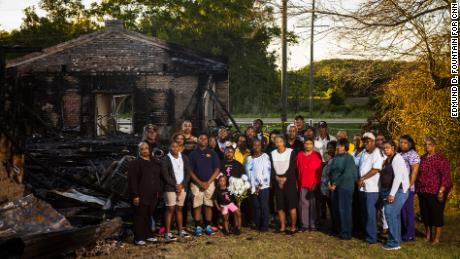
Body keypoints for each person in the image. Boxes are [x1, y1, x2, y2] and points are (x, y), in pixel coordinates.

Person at [416, 137, 452, 244]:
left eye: (429, 144)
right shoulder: (422, 158)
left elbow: (446, 175)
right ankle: (428, 235)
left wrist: (442, 190)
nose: (427, 147)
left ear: (434, 145)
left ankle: (436, 238)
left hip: (435, 191)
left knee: (436, 215)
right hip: (423, 190)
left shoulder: (440, 158)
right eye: (425, 145)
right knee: (425, 215)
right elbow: (419, 174)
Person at [128, 142, 163, 246]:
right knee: (140, 216)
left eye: (146, 148)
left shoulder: (154, 161)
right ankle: (138, 237)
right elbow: (132, 180)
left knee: (149, 215)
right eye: (142, 149)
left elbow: (159, 177)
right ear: (139, 151)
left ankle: (149, 235)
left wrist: (159, 191)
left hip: (153, 194)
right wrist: (135, 195)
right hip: (140, 194)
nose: (145, 151)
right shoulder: (135, 163)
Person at [379, 140, 410, 250]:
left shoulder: (397, 159)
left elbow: (398, 178)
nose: (385, 149)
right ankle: (396, 239)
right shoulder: (388, 159)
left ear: (393, 148)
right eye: (384, 148)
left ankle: (394, 243)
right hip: (392, 190)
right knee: (394, 215)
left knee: (390, 213)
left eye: (387, 148)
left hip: (400, 190)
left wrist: (391, 194)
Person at [189, 133, 221, 236]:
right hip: (196, 184)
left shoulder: (212, 153)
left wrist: (208, 182)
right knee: (197, 204)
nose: (203, 140)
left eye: (205, 138)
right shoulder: (193, 154)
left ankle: (207, 225)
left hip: (209, 183)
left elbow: (217, 169)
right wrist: (200, 182)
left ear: (208, 141)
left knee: (208, 204)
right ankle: (198, 226)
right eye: (201, 138)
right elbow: (190, 171)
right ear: (197, 140)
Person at [161, 141, 192, 241]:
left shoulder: (184, 157)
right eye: (173, 146)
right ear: (170, 147)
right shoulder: (166, 158)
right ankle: (167, 233)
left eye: (177, 146)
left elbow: (188, 172)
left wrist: (182, 185)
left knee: (179, 209)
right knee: (170, 209)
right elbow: (165, 175)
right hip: (170, 188)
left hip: (183, 187)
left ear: (180, 148)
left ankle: (180, 231)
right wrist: (175, 185)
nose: (175, 148)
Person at [357, 132, 384, 244]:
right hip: (363, 188)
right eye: (364, 141)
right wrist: (359, 179)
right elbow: (359, 166)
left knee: (370, 213)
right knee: (364, 212)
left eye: (367, 141)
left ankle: (372, 237)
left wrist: (362, 178)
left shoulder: (377, 153)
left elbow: (376, 169)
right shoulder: (363, 152)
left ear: (373, 142)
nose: (365, 143)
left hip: (373, 189)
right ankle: (367, 234)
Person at [329, 139, 357, 240]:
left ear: (346, 147)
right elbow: (331, 171)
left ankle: (346, 233)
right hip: (334, 187)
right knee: (336, 209)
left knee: (344, 210)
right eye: (338, 146)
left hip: (345, 187)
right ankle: (339, 230)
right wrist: (330, 182)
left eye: (341, 146)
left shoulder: (349, 158)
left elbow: (346, 173)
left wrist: (335, 183)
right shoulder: (336, 157)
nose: (338, 148)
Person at [271, 136, 298, 234]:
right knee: (280, 206)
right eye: (276, 142)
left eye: (280, 141)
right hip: (277, 180)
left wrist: (284, 178)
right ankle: (282, 226)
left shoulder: (291, 152)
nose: (278, 143)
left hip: (289, 180)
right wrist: (277, 178)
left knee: (291, 206)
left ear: (284, 142)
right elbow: (272, 169)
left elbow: (292, 167)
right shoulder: (272, 153)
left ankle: (293, 227)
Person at [296, 137, 323, 231]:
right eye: (306, 143)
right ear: (304, 144)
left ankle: (313, 224)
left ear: (313, 145)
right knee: (303, 204)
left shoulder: (317, 155)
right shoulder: (299, 155)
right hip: (302, 182)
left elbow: (319, 171)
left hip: (313, 183)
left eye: (310, 144)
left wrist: (316, 182)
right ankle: (305, 224)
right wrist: (297, 182)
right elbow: (297, 169)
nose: (308, 145)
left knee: (313, 204)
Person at [246, 139, 272, 232]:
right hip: (252, 187)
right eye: (255, 145)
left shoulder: (265, 156)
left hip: (263, 186)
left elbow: (267, 172)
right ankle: (257, 224)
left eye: (259, 145)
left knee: (263, 206)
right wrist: (250, 185)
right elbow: (248, 173)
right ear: (252, 146)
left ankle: (264, 226)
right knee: (256, 206)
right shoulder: (249, 158)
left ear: (261, 146)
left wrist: (259, 185)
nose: (257, 147)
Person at [399, 135, 420, 241]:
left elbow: (414, 172)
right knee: (402, 211)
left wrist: (408, 186)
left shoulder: (413, 155)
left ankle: (410, 234)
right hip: (399, 187)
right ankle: (403, 232)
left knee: (408, 211)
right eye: (401, 142)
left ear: (410, 144)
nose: (402, 144)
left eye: (405, 143)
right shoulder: (400, 154)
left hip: (407, 188)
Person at [320, 140, 337, 227]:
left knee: (334, 209)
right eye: (328, 148)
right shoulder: (330, 160)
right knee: (330, 209)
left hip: (332, 188)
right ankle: (333, 225)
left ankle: (335, 227)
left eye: (331, 148)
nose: (329, 150)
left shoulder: (336, 160)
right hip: (326, 189)